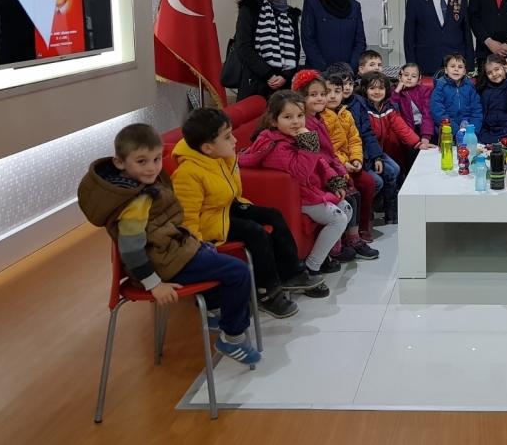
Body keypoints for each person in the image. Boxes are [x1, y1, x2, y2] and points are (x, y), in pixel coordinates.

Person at [78, 124, 260, 365]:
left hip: (168, 254)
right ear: (120, 163)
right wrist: (154, 285)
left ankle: (214, 311)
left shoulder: (139, 186)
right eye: (141, 161)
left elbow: (159, 226)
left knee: (208, 250)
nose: (152, 167)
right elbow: (131, 250)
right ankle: (233, 338)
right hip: (161, 267)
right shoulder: (134, 203)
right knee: (238, 271)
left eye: (156, 159)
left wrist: (184, 234)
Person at [172, 108, 326, 318]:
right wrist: (197, 249)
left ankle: (291, 273)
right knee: (255, 232)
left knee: (273, 215)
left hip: (225, 209)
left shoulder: (219, 157)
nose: (234, 140)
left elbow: (232, 193)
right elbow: (187, 218)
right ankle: (267, 293)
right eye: (227, 137)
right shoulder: (187, 173)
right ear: (207, 147)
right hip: (209, 223)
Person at [239, 91, 355, 279]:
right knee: (339, 218)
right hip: (298, 198)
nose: (296, 122)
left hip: (309, 190)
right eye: (288, 117)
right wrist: (309, 142)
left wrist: (334, 181)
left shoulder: (293, 136)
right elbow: (302, 170)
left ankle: (328, 253)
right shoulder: (276, 145)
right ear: (274, 121)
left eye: (300, 115)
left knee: (347, 207)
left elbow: (320, 161)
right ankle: (312, 266)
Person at [293, 70, 379, 257]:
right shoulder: (306, 123)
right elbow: (319, 157)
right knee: (350, 196)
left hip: (336, 167)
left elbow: (348, 142)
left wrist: (353, 160)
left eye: (322, 94)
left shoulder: (327, 116)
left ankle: (355, 237)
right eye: (313, 95)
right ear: (301, 98)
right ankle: (339, 246)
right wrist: (339, 172)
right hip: (321, 175)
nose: (322, 98)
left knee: (359, 192)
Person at [361, 71, 429, 224]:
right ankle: (386, 207)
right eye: (372, 88)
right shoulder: (363, 108)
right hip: (366, 152)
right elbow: (365, 136)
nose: (377, 92)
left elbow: (401, 127)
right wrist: (375, 157)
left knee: (396, 169)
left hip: (378, 151)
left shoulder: (387, 107)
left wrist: (418, 143)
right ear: (365, 90)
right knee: (390, 172)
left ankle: (390, 207)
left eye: (381, 88)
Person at [319, 70, 376, 247]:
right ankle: (345, 236)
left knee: (369, 182)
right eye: (327, 92)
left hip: (348, 162)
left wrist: (356, 159)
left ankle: (362, 228)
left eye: (337, 91)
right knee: (352, 188)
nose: (333, 96)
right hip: (333, 166)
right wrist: (344, 163)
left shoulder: (346, 113)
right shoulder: (319, 117)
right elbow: (325, 149)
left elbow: (354, 139)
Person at [233, 0, 301, 102]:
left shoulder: (290, 14)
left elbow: (295, 48)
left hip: (283, 85)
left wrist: (286, 76)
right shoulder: (251, 9)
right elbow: (243, 46)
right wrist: (268, 75)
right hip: (255, 81)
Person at [301, 0, 367, 72]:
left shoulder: (354, 6)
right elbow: (308, 41)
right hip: (319, 73)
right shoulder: (312, 4)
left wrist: (350, 68)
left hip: (348, 75)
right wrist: (324, 71)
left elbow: (360, 41)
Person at [474, 54, 507, 144]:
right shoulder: (485, 90)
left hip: (505, 132)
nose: (494, 74)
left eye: (497, 69)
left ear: (504, 68)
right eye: (489, 73)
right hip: (487, 132)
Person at [430, 53, 483, 136]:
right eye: (452, 66)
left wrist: (473, 131)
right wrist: (455, 130)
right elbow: (438, 112)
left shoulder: (470, 87)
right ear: (446, 70)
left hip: (469, 132)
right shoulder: (440, 88)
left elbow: (477, 110)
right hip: (447, 132)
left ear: (464, 72)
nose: (456, 69)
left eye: (460, 67)